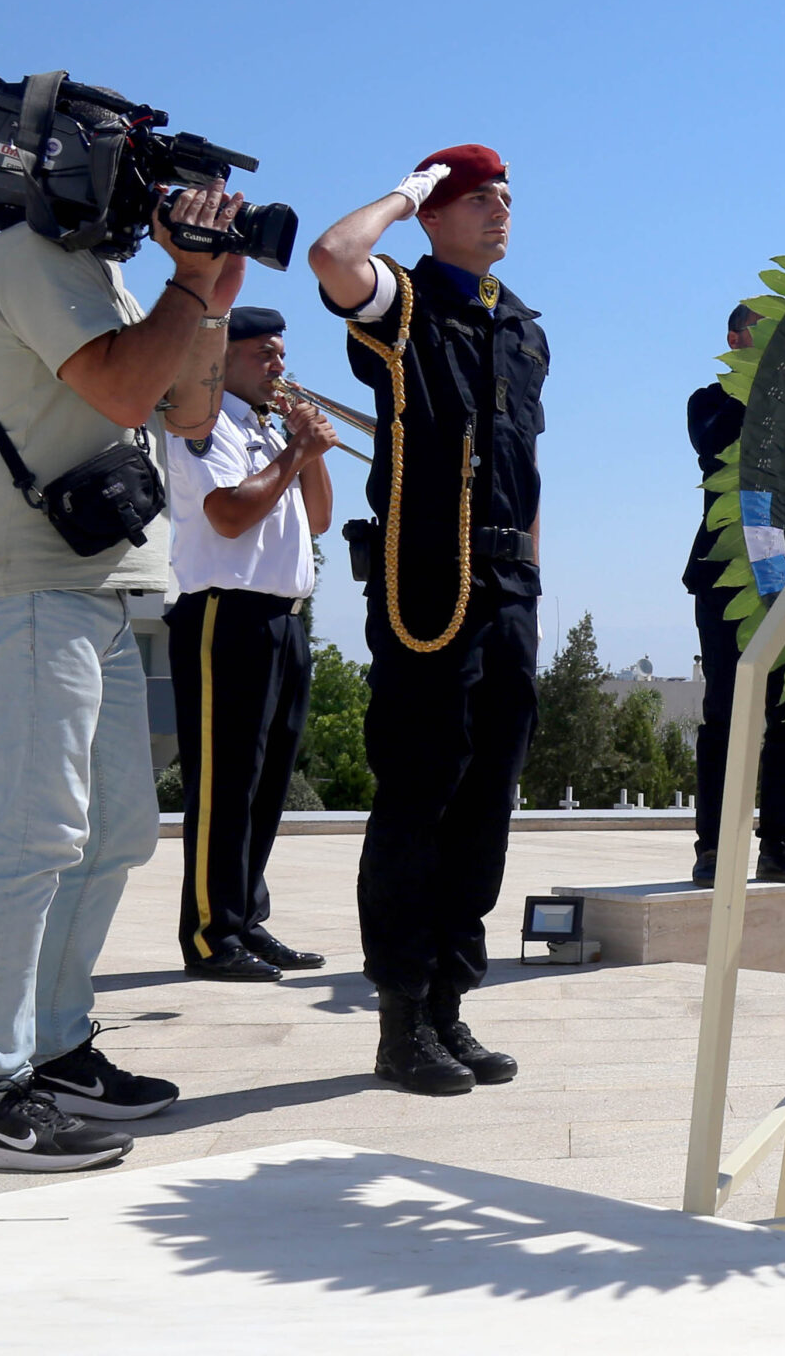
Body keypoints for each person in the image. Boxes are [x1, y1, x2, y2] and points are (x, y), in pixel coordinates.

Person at [0, 181, 245, 1171]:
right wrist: (185, 284)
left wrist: (210, 292)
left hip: (104, 591)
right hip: (29, 585)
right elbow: (117, 393)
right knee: (35, 834)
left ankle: (59, 1049)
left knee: (115, 830)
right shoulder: (27, 255)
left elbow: (188, 411)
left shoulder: (108, 279)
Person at [307, 147, 544, 1095]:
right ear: (436, 216)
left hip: (505, 582)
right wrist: (407, 193)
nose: (500, 212)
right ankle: (400, 1019)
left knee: (488, 796)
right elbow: (331, 256)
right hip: (427, 581)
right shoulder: (403, 303)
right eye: (478, 199)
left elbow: (527, 470)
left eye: (505, 200)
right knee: (421, 791)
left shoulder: (520, 326)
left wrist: (531, 573)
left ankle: (450, 1004)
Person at [165, 306, 336, 981]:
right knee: (224, 784)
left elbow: (317, 519)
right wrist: (296, 452)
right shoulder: (203, 425)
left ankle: (244, 918)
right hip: (224, 615)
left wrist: (308, 452)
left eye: (280, 354)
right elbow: (230, 516)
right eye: (265, 353)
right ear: (224, 357)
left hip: (283, 620)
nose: (279, 367)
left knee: (267, 785)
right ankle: (210, 934)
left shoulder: (265, 431)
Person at [682, 304, 785, 889]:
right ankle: (715, 848)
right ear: (736, 340)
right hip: (727, 580)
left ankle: (780, 844)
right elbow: (717, 448)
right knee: (727, 716)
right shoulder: (710, 400)